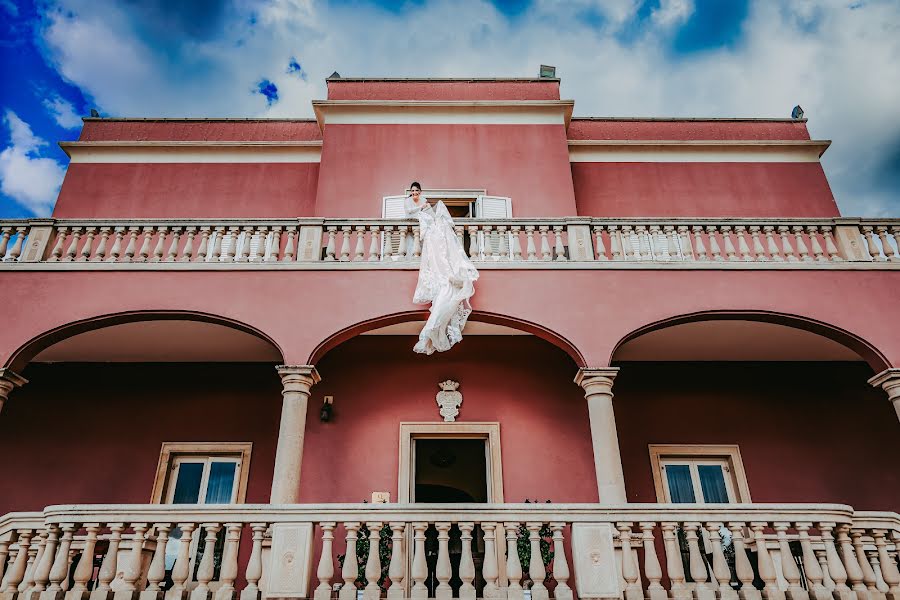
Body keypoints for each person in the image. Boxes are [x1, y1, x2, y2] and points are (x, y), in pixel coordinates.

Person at [404, 181, 480, 354]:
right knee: (444, 289)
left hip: (441, 257)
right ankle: (434, 330)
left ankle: (434, 330)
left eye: (417, 190)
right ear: (411, 192)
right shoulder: (419, 210)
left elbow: (448, 249)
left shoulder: (438, 222)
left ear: (420, 191)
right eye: (413, 191)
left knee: (446, 290)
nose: (415, 193)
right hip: (434, 254)